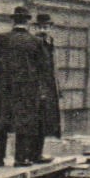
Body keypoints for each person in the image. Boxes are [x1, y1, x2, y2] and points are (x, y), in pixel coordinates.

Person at [0, 6, 55, 165]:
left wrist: (4, 70)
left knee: (2, 123)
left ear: (13, 21)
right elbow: (44, 65)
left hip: (3, 88)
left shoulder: (1, 38)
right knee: (23, 123)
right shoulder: (35, 41)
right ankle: (20, 159)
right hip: (26, 89)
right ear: (28, 21)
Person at [32, 13, 63, 143]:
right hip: (39, 86)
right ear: (37, 28)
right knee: (38, 119)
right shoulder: (34, 42)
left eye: (47, 27)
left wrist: (58, 87)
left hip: (50, 86)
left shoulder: (50, 42)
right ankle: (34, 152)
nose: (44, 30)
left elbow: (53, 66)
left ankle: (39, 150)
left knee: (47, 118)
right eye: (41, 27)